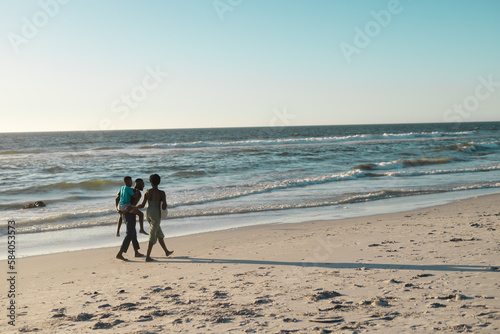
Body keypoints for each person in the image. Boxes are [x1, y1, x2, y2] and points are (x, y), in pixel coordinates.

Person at [135, 174, 173, 262]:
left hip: (148, 214)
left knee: (158, 233)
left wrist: (133, 207)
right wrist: (163, 202)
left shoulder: (147, 192)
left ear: (150, 182)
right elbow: (164, 207)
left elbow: (142, 205)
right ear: (159, 182)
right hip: (156, 215)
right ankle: (148, 257)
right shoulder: (161, 193)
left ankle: (166, 251)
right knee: (153, 235)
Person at [115, 176, 144, 260]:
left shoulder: (127, 189)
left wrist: (118, 208)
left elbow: (117, 198)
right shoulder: (134, 192)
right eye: (142, 184)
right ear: (137, 184)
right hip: (128, 214)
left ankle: (136, 252)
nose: (143, 186)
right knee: (129, 233)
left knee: (133, 232)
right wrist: (118, 209)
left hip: (126, 212)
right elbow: (118, 199)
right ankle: (120, 253)